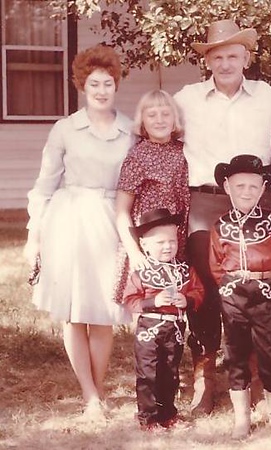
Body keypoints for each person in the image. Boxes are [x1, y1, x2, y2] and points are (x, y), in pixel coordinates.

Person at [174, 18, 271, 415]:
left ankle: (258, 378)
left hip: (252, 202)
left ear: (246, 58)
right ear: (207, 61)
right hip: (205, 203)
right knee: (206, 291)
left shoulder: (266, 97)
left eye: (233, 56)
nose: (226, 64)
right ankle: (204, 379)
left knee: (254, 291)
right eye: (217, 56)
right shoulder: (187, 98)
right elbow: (154, 127)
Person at [23, 45, 134, 418]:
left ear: (116, 85)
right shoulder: (65, 129)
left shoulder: (129, 131)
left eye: (107, 83)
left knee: (103, 310)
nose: (101, 90)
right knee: (75, 311)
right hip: (69, 220)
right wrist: (33, 237)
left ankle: (96, 393)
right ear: (82, 87)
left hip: (110, 220)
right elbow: (44, 185)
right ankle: (89, 396)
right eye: (93, 84)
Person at [209, 154, 271, 439]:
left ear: (262, 189)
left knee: (270, 351)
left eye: (253, 186)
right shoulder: (220, 225)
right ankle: (241, 417)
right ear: (227, 187)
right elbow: (215, 263)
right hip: (233, 295)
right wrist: (226, 286)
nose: (247, 191)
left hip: (263, 293)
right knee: (235, 353)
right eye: (240, 185)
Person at [122, 208, 203, 431]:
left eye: (172, 241)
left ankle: (168, 414)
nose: (167, 246)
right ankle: (149, 417)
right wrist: (153, 302)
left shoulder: (184, 270)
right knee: (148, 372)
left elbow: (199, 291)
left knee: (170, 371)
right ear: (144, 245)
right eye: (160, 243)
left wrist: (186, 300)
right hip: (149, 329)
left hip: (174, 328)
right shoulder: (141, 272)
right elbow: (129, 300)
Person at [114, 89, 189, 303]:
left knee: (174, 300)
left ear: (175, 119)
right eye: (152, 115)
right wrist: (134, 251)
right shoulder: (138, 156)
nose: (159, 120)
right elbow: (121, 210)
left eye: (165, 114)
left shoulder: (185, 151)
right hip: (149, 242)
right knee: (149, 299)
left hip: (176, 241)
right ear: (142, 121)